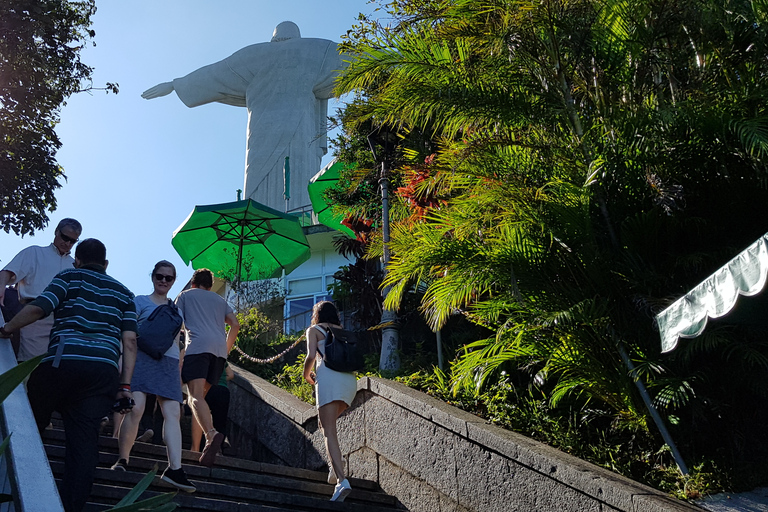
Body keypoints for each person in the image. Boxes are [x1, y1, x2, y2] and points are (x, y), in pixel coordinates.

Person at [141, 21, 347, 212]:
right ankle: (298, 211)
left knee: (258, 180)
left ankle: (262, 215)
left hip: (261, 132)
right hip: (301, 131)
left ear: (274, 37)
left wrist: (176, 84)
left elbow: (217, 73)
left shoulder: (255, 55)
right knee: (300, 179)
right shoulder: (317, 50)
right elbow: (355, 59)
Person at [0, 238, 137, 512]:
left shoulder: (69, 276)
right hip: (102, 373)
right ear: (106, 264)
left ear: (77, 259)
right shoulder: (125, 294)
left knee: (32, 419)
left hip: (63, 363)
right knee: (84, 444)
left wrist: (7, 329)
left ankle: (19, 474)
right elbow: (130, 342)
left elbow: (40, 308)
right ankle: (71, 507)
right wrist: (125, 385)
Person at [111, 261, 195, 492]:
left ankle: (175, 469)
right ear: (153, 276)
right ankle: (123, 459)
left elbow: (179, 342)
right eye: (160, 276)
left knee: (173, 413)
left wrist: (179, 369)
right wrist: (121, 362)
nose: (163, 281)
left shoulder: (176, 309)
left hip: (167, 362)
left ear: (174, 281)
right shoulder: (139, 301)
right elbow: (126, 333)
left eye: (168, 278)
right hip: (141, 358)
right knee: (136, 409)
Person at [175, 268, 239, 466]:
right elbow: (235, 325)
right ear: (210, 286)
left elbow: (176, 323)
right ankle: (209, 443)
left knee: (195, 397)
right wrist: (225, 350)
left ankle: (211, 435)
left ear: (193, 283)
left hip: (198, 347)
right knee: (202, 399)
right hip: (219, 352)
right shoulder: (220, 301)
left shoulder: (185, 296)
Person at [0, 218, 82, 361]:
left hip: (65, 325)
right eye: (65, 238)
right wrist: (1, 287)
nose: (68, 243)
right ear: (56, 231)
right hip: (35, 318)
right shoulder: (35, 253)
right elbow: (7, 272)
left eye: (73, 241)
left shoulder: (75, 266)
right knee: (31, 368)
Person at [303, 301, 357, 502]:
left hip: (328, 378)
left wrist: (306, 375)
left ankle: (341, 481)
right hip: (349, 381)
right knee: (325, 425)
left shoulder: (314, 330)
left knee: (328, 432)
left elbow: (311, 356)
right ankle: (335, 469)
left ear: (316, 314)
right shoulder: (342, 331)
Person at [190, 363, 234, 452]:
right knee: (220, 422)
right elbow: (231, 375)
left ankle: (202, 446)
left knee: (202, 417)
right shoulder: (222, 359)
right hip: (223, 390)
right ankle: (218, 449)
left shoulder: (204, 355)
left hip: (207, 387)